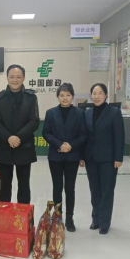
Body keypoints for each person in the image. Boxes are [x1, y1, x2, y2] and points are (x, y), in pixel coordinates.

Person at [80, 83, 125, 235]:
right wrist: (82, 156)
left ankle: (105, 222)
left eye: (100, 93)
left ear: (106, 95)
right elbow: (84, 137)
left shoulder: (114, 112)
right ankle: (96, 219)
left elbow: (119, 136)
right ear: (91, 95)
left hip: (108, 159)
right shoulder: (87, 113)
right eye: (94, 93)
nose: (97, 96)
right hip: (91, 158)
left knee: (107, 190)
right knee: (94, 190)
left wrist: (118, 157)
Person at [42, 83, 86, 232]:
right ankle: (57, 218)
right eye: (62, 95)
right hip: (55, 156)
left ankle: (69, 219)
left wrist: (70, 145)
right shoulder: (51, 113)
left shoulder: (79, 113)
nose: (65, 98)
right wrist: (59, 144)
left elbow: (83, 135)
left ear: (72, 96)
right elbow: (46, 133)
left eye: (68, 95)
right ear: (58, 97)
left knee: (70, 188)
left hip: (72, 156)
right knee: (57, 187)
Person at [0, 65, 39, 204]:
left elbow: (34, 121)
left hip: (24, 147)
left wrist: (18, 137)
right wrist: (9, 137)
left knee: (24, 186)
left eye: (18, 77)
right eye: (12, 77)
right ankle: (4, 216)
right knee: (4, 187)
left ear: (23, 78)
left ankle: (23, 216)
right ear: (7, 78)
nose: (15, 80)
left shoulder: (31, 98)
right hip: (4, 147)